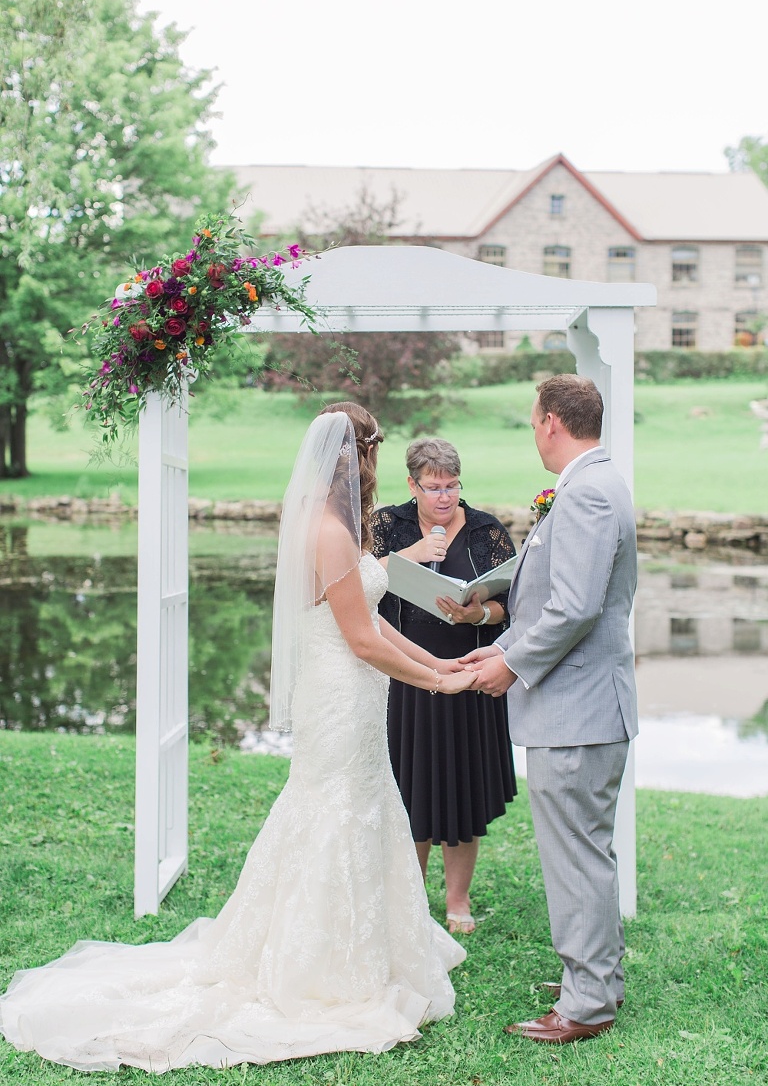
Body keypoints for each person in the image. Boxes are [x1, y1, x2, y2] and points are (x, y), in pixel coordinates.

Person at [0, 402, 479, 1073]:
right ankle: (318, 964)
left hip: (359, 696)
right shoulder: (329, 532)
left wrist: (439, 663)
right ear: (358, 456)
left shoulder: (344, 525)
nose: (374, 466)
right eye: (371, 452)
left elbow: (370, 615)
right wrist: (438, 685)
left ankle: (370, 946)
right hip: (339, 697)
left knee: (361, 806)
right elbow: (362, 639)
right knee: (333, 811)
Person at [461, 374, 638, 1044]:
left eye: (534, 420)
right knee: (585, 849)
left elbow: (576, 606)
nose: (534, 430)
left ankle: (588, 1000)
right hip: (582, 707)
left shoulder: (588, 492)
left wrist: (509, 664)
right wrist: (496, 648)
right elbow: (547, 602)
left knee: (575, 856)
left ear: (553, 424)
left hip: (579, 710)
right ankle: (597, 976)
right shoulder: (593, 484)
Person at [371, 438, 517, 936]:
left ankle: (457, 900)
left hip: (471, 674)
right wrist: (412, 553)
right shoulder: (389, 527)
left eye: (452, 486)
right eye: (433, 488)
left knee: (463, 789)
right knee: (410, 788)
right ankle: (410, 899)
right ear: (412, 484)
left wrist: (478, 612)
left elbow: (512, 605)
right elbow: (356, 584)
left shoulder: (485, 531)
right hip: (406, 676)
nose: (444, 497)